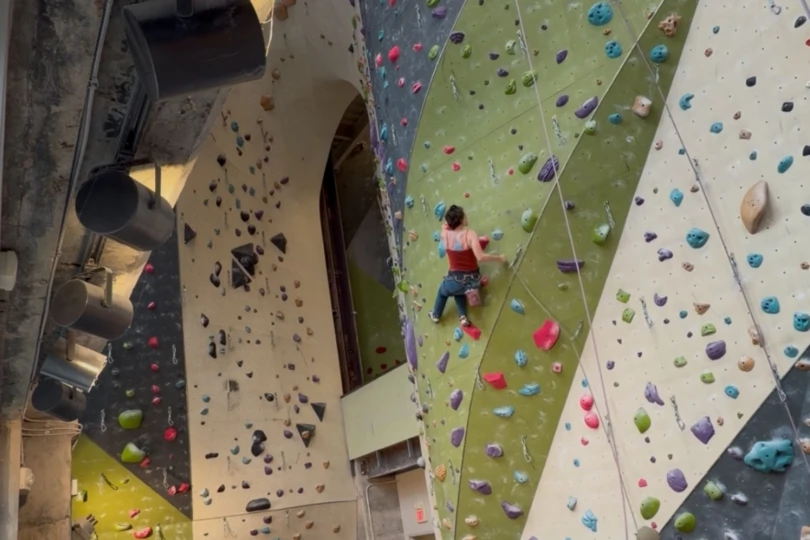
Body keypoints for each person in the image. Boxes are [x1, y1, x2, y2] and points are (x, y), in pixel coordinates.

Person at [429, 205, 506, 327]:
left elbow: (444, 226)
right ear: (460, 219)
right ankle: (462, 316)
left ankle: (435, 315)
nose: (466, 217)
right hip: (474, 280)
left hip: (456, 280)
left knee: (443, 291)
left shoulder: (444, 235)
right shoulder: (470, 234)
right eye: (464, 215)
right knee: (456, 289)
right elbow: (480, 257)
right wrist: (499, 258)